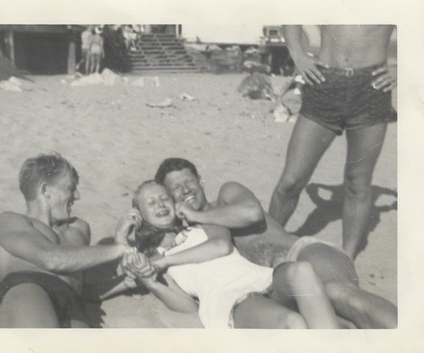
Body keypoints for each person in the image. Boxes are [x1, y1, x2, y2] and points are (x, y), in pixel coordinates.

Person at [154, 157, 397, 328]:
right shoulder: (191, 235)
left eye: (189, 181)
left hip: (301, 252)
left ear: (201, 181)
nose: (185, 189)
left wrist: (197, 216)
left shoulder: (227, 194)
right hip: (275, 284)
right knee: (339, 322)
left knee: (339, 294)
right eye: (176, 188)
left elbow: (251, 213)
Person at [109, 181, 340, 328]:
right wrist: (123, 241)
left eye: (164, 198)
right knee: (293, 322)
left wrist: (163, 261)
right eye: (151, 202)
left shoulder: (200, 222)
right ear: (139, 214)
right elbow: (188, 306)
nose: (160, 204)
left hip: (261, 278)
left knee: (302, 270)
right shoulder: (150, 258)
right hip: (229, 298)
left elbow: (221, 247)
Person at [268, 25, 397, 259]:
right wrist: (297, 53)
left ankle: (347, 259)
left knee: (357, 183)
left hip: (372, 87)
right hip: (324, 81)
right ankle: (266, 243)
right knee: (291, 181)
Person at [0, 153, 132, 328]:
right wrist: (119, 249)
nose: (77, 195)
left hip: (73, 303)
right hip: (30, 288)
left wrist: (126, 281)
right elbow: (51, 259)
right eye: (71, 188)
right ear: (45, 190)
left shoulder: (79, 230)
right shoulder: (10, 221)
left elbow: (80, 288)